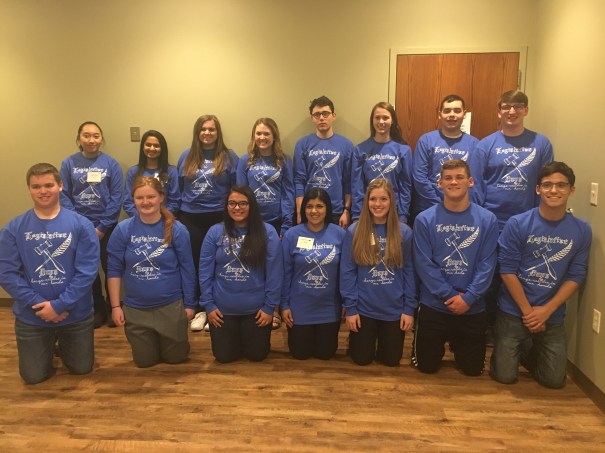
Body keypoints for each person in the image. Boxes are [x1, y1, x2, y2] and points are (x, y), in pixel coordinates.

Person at [490, 162, 591, 389]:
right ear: (538, 189)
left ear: (571, 190)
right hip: (514, 311)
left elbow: (576, 274)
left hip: (551, 313)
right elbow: (507, 270)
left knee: (553, 380)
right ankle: (518, 345)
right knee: (505, 376)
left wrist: (546, 311)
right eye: (547, 185)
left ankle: (527, 347)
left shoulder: (582, 230)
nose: (553, 190)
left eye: (561, 185)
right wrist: (528, 312)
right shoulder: (518, 224)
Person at [0, 163, 99, 384]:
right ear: (29, 189)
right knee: (33, 377)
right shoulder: (13, 228)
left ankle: (62, 344)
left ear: (60, 186)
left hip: (75, 314)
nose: (43, 191)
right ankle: (47, 344)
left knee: (81, 368)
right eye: (36, 186)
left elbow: (87, 272)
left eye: (48, 185)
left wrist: (60, 305)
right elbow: (7, 273)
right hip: (33, 316)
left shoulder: (81, 225)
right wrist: (39, 305)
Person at [476, 90, 555, 332]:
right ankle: (487, 329)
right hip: (492, 223)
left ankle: (515, 328)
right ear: (498, 111)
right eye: (506, 106)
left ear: (526, 110)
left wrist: (539, 220)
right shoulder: (485, 145)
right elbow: (477, 186)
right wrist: (481, 221)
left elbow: (546, 183)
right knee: (489, 277)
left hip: (525, 224)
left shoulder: (541, 144)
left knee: (519, 277)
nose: (512, 111)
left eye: (518, 106)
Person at [412, 159, 498, 376]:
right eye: (448, 178)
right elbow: (424, 264)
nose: (453, 182)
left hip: (472, 306)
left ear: (470, 182)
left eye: (459, 177)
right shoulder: (424, 220)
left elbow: (487, 264)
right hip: (435, 304)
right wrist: (449, 295)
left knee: (472, 370)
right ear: (440, 183)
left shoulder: (487, 220)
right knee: (426, 367)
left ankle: (459, 343)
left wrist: (468, 298)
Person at [107, 176, 196, 368]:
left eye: (151, 197)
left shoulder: (177, 229)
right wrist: (115, 306)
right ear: (133, 200)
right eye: (140, 198)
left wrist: (190, 304)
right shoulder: (123, 230)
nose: (145, 202)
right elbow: (114, 270)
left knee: (176, 358)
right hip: (136, 309)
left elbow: (187, 269)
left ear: (161, 197)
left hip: (170, 306)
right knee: (144, 362)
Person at [199, 185, 282, 363]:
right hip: (222, 311)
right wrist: (209, 306)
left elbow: (275, 273)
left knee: (257, 355)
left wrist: (269, 307)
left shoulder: (267, 232)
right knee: (223, 357)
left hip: (257, 311)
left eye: (243, 203)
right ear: (227, 206)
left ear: (252, 205)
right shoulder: (214, 232)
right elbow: (205, 272)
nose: (237, 208)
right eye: (232, 203)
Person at [340, 179, 416, 366]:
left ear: (391, 201)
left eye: (383, 199)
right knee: (361, 359)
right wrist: (351, 308)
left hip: (393, 309)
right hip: (364, 309)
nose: (378, 204)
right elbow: (347, 272)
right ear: (367, 201)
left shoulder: (404, 233)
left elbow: (409, 272)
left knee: (391, 360)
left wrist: (408, 309)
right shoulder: (354, 231)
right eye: (373, 199)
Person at [59, 121, 123, 328]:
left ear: (102, 139)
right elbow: (64, 195)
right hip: (79, 226)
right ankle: (97, 309)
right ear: (79, 139)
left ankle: (112, 306)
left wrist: (102, 227)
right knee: (88, 269)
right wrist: (82, 225)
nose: (91, 140)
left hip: (107, 227)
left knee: (110, 266)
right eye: (86, 135)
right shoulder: (68, 163)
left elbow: (116, 197)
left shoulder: (111, 164)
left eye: (96, 136)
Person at [177, 115, 238, 332]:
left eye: (211, 129)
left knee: (219, 262)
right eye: (203, 129)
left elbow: (235, 189)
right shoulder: (187, 155)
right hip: (191, 216)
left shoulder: (229, 156)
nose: (207, 133)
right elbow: (179, 187)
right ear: (197, 132)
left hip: (220, 217)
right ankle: (199, 308)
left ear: (217, 132)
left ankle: (216, 307)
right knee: (194, 263)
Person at [237, 117, 294, 330]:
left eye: (266, 134)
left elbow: (288, 193)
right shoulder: (245, 161)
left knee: (275, 266)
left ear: (274, 136)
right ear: (254, 136)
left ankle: (275, 308)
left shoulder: (284, 160)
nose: (262, 137)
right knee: (254, 265)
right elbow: (240, 193)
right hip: (252, 222)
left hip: (276, 221)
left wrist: (286, 224)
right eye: (258, 133)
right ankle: (256, 305)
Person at [281, 188, 346, 360]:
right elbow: (285, 273)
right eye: (309, 206)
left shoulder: (340, 235)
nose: (314, 211)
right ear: (303, 209)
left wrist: (347, 302)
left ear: (327, 208)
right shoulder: (292, 235)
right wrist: (284, 305)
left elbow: (346, 273)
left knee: (325, 354)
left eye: (319, 206)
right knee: (300, 354)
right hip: (300, 308)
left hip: (329, 308)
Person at [412, 94, 483, 222]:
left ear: (464, 114)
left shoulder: (475, 144)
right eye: (447, 111)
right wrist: (440, 204)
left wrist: (462, 206)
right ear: (440, 114)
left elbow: (475, 181)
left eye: (457, 111)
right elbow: (419, 178)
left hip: (463, 211)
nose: (452, 115)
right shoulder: (426, 141)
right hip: (430, 209)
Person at [293, 96, 354, 228]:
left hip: (336, 212)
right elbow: (299, 180)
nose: (321, 118)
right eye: (317, 114)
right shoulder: (302, 144)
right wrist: (300, 211)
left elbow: (348, 181)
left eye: (325, 114)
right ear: (312, 118)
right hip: (311, 211)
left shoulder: (346, 145)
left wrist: (347, 211)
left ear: (333, 116)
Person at [351, 102, 412, 223]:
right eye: (377, 117)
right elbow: (357, 185)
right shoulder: (360, 150)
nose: (381, 122)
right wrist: (357, 215)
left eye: (385, 117)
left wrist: (403, 215)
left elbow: (406, 186)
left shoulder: (403, 150)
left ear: (392, 120)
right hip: (368, 210)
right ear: (372, 120)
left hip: (394, 212)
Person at [123, 130, 180, 217]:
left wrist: (160, 218)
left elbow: (175, 201)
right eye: (148, 145)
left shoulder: (171, 172)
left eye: (156, 146)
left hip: (164, 220)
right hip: (139, 220)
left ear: (162, 149)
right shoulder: (133, 172)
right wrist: (143, 218)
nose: (152, 148)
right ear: (143, 147)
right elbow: (128, 202)